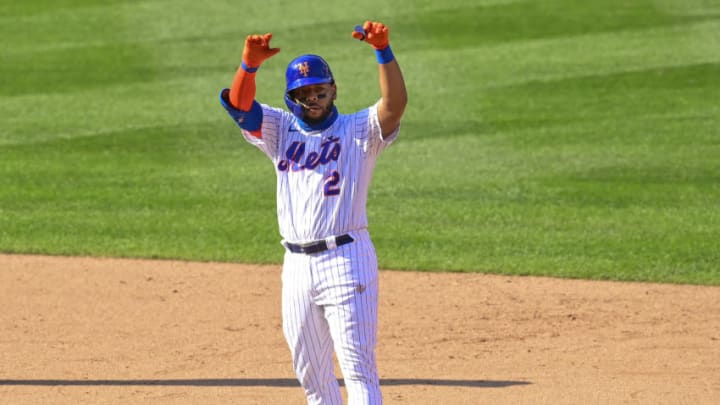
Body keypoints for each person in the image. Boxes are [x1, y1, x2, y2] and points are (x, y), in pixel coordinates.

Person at [219, 20, 407, 404]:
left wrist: (383, 51)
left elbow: (394, 105)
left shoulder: (360, 130)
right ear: (291, 97)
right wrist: (248, 65)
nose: (313, 98)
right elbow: (240, 107)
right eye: (303, 93)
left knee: (357, 369)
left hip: (347, 259)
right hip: (297, 266)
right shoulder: (279, 129)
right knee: (312, 376)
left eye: (320, 90)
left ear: (334, 90)